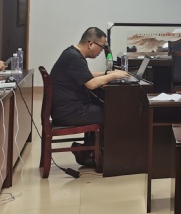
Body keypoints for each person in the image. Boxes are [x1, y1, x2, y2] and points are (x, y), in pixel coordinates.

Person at [50, 27, 130, 167]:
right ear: (91, 44)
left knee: (100, 107)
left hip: (65, 108)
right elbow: (91, 84)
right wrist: (113, 76)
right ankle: (107, 159)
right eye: (101, 47)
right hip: (68, 112)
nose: (101, 51)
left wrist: (107, 73)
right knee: (111, 113)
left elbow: (86, 74)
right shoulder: (75, 58)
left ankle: (88, 151)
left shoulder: (71, 53)